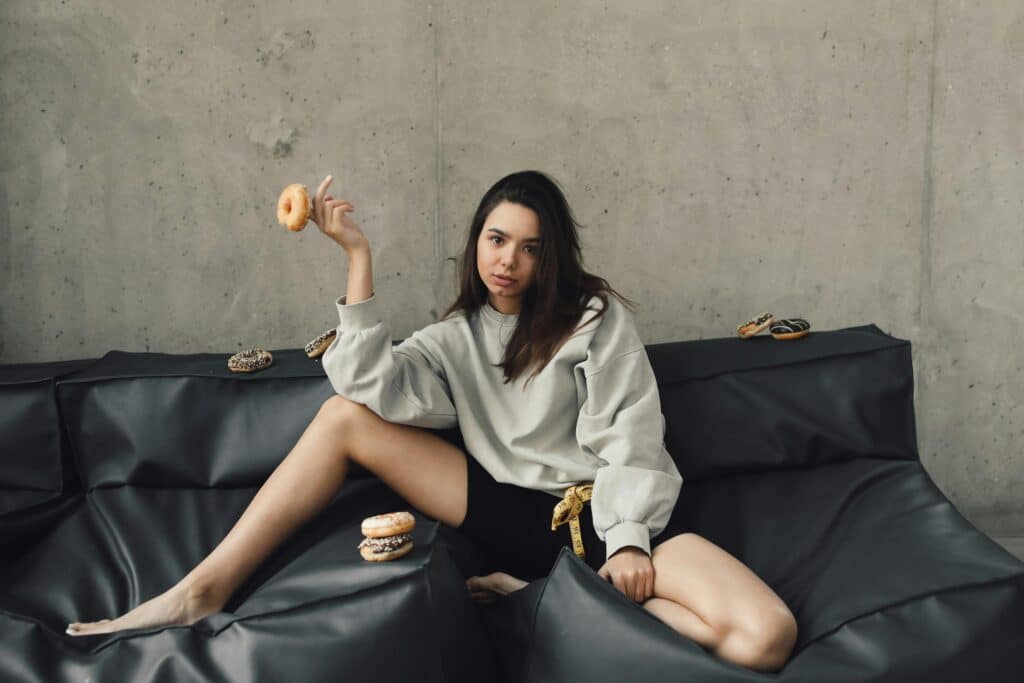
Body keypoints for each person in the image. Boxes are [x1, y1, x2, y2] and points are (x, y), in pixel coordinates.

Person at [66, 170, 797, 673]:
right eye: (496, 239)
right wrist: (357, 254)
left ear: (552, 258)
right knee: (341, 415)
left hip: (618, 523)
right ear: (477, 240)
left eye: (529, 246)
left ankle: (546, 602)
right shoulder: (455, 340)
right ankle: (203, 589)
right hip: (519, 521)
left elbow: (632, 435)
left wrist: (631, 542)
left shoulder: (593, 320)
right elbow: (368, 384)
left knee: (768, 636)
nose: (507, 260)